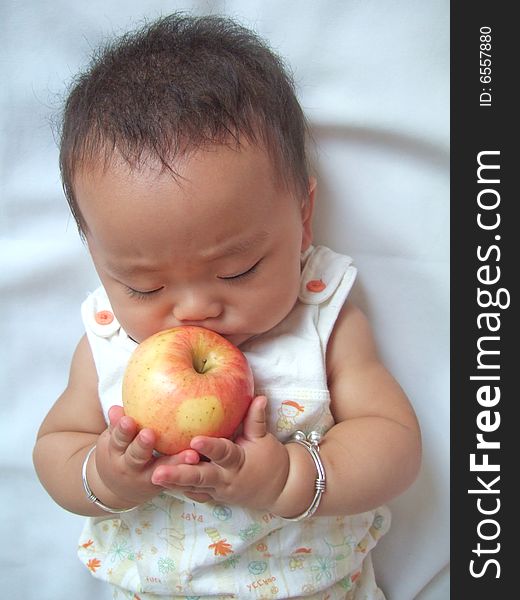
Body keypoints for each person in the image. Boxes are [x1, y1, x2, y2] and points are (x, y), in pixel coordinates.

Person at [33, 14, 421, 600]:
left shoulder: (320, 317)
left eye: (238, 270)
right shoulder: (110, 339)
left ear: (302, 218)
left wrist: (291, 478)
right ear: (97, 258)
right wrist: (104, 476)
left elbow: (393, 442)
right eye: (143, 285)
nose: (192, 310)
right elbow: (54, 446)